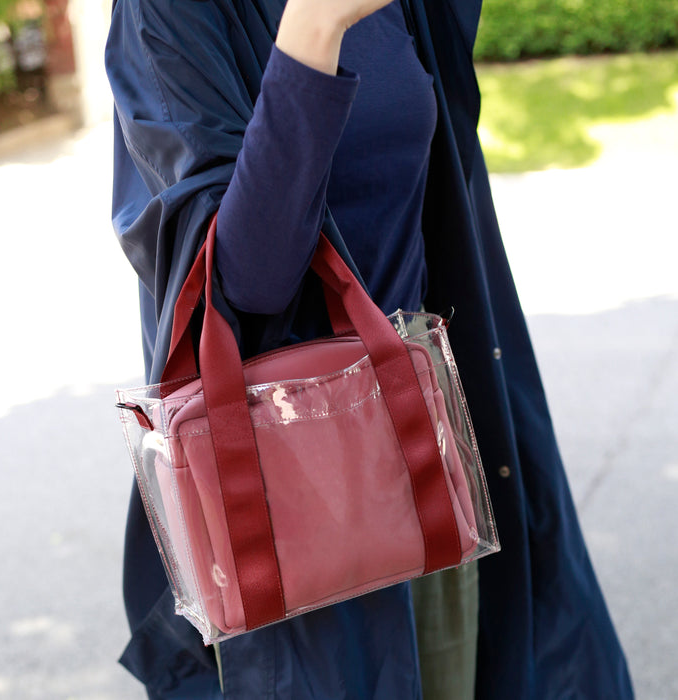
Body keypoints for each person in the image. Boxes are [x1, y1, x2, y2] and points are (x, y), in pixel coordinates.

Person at [105, 0, 635, 697]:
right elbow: (247, 282)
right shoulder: (167, 12)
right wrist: (314, 31)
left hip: (427, 451)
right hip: (293, 484)